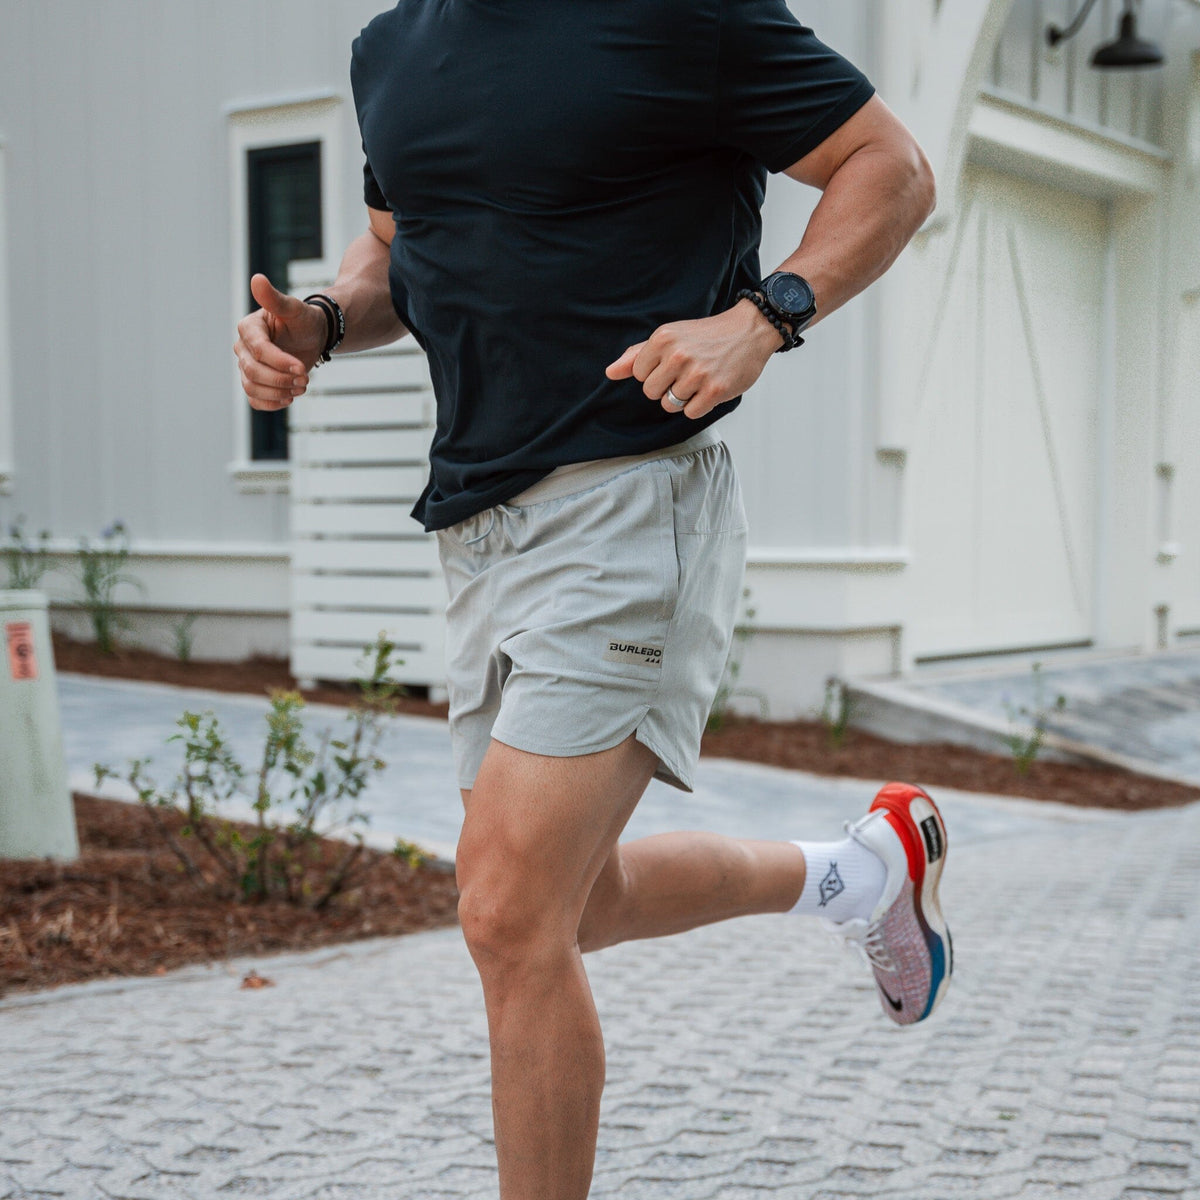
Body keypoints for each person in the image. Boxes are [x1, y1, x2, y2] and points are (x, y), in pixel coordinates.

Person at [234, 3, 950, 1197]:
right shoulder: (389, 48)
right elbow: (400, 251)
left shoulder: (679, 12)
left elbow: (892, 167)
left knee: (511, 918)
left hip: (629, 501)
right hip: (478, 528)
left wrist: (764, 318)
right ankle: (861, 873)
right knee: (575, 906)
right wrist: (319, 323)